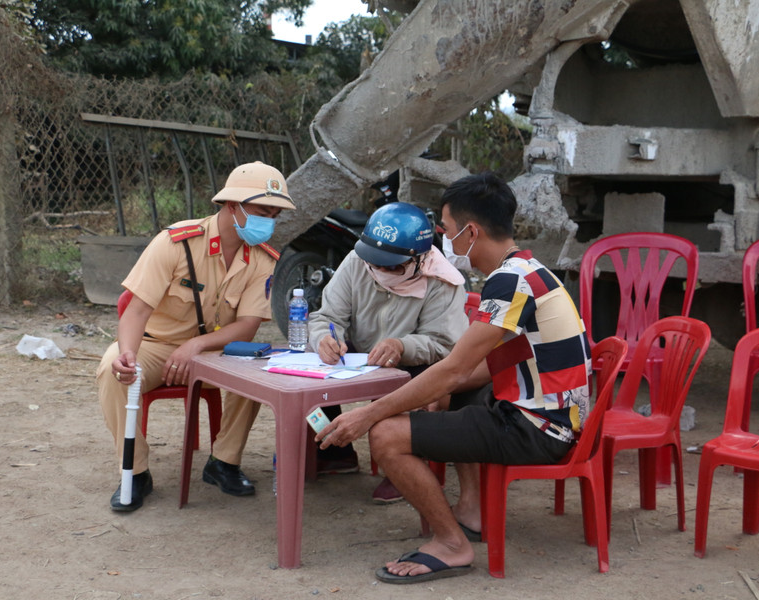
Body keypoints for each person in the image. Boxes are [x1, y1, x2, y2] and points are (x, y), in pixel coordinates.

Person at [316, 172, 591, 583]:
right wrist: (441, 392)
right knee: (455, 396)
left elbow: (454, 367)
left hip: (537, 427)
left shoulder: (508, 282)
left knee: (386, 436)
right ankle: (472, 513)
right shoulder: (530, 270)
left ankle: (450, 544)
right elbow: (476, 367)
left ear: (471, 231)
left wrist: (368, 416)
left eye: (445, 229)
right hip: (552, 418)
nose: (442, 240)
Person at [97, 161, 296, 512]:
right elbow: (136, 310)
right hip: (157, 346)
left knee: (258, 364)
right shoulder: (176, 243)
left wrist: (196, 346)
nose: (270, 220)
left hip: (215, 350)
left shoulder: (263, 259)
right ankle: (136, 471)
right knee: (111, 369)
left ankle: (224, 462)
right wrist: (127, 353)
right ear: (233, 205)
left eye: (276, 214)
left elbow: (248, 326)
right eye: (264, 211)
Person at [308, 202, 469, 503]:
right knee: (309, 384)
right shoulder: (357, 261)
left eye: (391, 265)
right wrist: (324, 338)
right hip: (359, 356)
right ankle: (335, 453)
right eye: (375, 262)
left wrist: (401, 345)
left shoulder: (443, 280)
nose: (380, 271)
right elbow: (327, 316)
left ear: (419, 259)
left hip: (415, 366)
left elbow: (444, 345)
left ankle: (402, 465)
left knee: (410, 388)